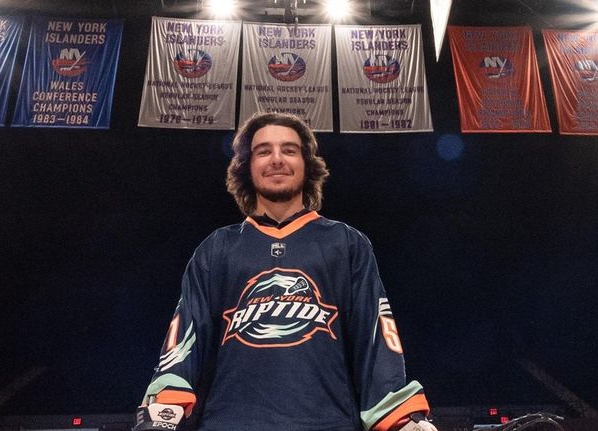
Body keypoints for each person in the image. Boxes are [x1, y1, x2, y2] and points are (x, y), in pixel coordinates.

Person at [133, 113, 436, 431]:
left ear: (308, 164)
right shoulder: (216, 248)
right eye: (264, 151)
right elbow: (185, 339)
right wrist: (164, 408)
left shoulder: (346, 243)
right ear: (247, 167)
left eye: (289, 150)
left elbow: (374, 339)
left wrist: (402, 418)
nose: (277, 159)